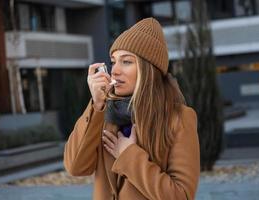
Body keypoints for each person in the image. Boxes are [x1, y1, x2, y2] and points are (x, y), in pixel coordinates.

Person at [64, 17, 200, 200]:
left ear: (149, 69)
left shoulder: (179, 118)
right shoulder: (105, 114)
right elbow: (75, 166)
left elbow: (181, 196)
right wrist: (96, 105)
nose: (115, 71)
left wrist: (129, 155)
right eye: (113, 61)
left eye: (126, 62)